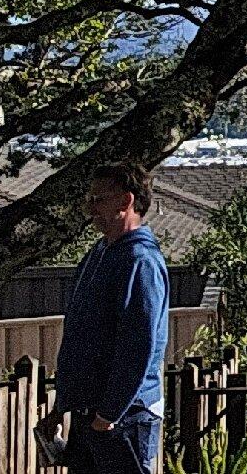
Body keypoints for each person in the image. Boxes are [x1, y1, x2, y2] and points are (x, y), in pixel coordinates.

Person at [43, 164, 169, 474]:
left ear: (126, 202)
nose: (90, 207)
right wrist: (62, 406)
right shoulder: (99, 254)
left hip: (124, 417)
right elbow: (78, 338)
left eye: (99, 199)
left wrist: (109, 414)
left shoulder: (140, 261)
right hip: (91, 414)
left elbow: (139, 346)